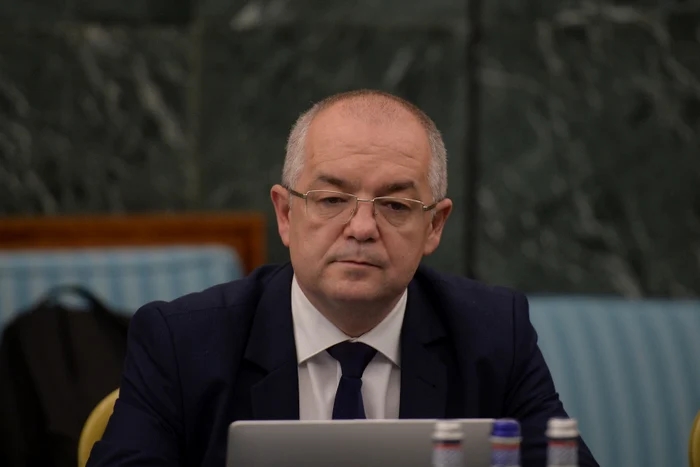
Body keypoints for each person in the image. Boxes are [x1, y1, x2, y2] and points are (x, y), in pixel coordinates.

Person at [87, 89, 599, 467]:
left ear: (434, 226)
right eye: (332, 199)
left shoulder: (494, 335)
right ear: (286, 214)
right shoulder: (181, 342)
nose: (361, 228)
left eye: (395, 205)